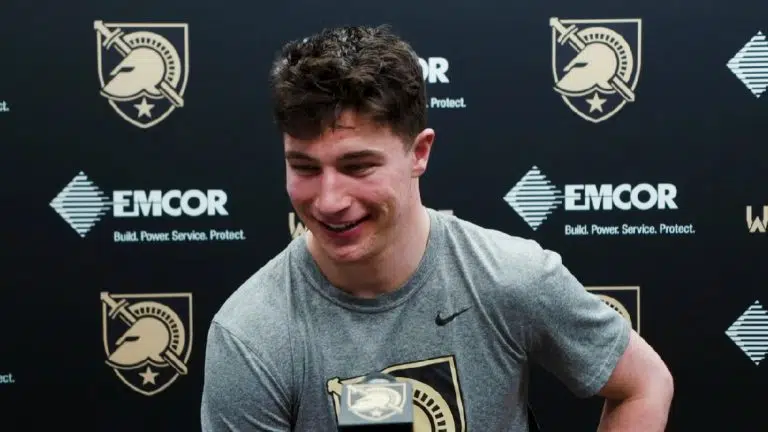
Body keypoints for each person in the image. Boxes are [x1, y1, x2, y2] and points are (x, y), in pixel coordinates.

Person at [200, 24, 674, 431]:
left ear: (419, 153)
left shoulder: (510, 277)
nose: (329, 200)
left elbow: (644, 384)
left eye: (358, 166)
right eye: (304, 168)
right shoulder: (251, 335)